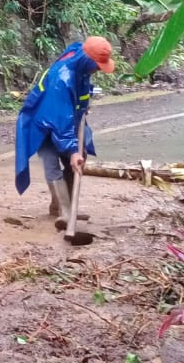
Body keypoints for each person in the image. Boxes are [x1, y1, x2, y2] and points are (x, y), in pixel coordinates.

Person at [13, 36, 116, 229]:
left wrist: (83, 107)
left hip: (66, 118)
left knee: (79, 158)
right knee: (52, 162)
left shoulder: (80, 61)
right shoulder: (62, 79)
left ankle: (64, 207)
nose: (98, 70)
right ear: (88, 61)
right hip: (42, 121)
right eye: (97, 65)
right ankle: (65, 210)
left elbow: (76, 101)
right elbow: (60, 123)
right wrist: (72, 151)